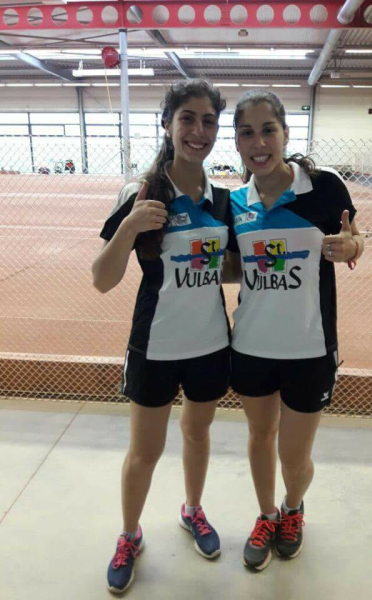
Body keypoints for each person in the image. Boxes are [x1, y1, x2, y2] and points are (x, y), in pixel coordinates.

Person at [92, 80, 233, 594]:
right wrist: (129, 227)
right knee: (144, 452)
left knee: (197, 434)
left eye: (208, 121)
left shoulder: (225, 200)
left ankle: (192, 510)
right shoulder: (142, 193)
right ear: (168, 124)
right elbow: (102, 279)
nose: (198, 131)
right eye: (187, 119)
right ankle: (129, 534)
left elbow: (228, 268)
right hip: (155, 346)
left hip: (211, 344)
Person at [226, 90, 364, 571]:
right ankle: (267, 515)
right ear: (237, 142)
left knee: (295, 454)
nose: (259, 142)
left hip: (310, 347)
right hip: (251, 345)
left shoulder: (325, 188)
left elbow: (353, 239)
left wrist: (352, 248)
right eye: (247, 133)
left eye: (268, 130)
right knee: (260, 437)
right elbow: (234, 267)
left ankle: (292, 508)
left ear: (285, 134)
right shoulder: (235, 202)